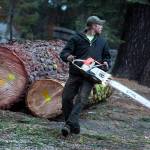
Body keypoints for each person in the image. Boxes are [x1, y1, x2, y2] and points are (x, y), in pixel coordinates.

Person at [60, 16, 111, 137]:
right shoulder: (76, 38)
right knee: (66, 98)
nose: (101, 27)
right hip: (75, 74)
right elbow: (64, 53)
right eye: (100, 25)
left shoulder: (102, 42)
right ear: (93, 26)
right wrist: (68, 57)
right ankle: (74, 125)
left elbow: (107, 57)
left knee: (81, 99)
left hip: (90, 77)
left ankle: (68, 125)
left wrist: (106, 63)